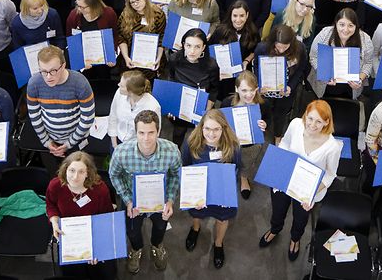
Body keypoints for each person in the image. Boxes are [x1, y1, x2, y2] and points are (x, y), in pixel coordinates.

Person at [260, 100, 342, 261]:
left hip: (307, 190)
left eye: (319, 121)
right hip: (285, 178)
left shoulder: (332, 146)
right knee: (278, 210)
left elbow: (330, 174)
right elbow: (284, 143)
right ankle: (275, 229)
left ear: (327, 122)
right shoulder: (296, 124)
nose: (312, 124)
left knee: (300, 219)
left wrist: (311, 192)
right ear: (305, 115)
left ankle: (295, 239)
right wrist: (279, 164)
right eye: (310, 118)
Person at [109, 110, 181, 273]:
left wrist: (170, 200)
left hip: (161, 200)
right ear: (136, 132)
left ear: (158, 131)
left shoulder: (172, 151)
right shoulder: (121, 152)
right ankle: (136, 249)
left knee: (160, 227)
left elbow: (176, 176)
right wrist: (127, 200)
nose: (146, 138)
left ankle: (156, 245)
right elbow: (114, 175)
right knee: (133, 231)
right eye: (141, 133)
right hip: (133, 201)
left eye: (151, 132)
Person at [180, 109, 241, 268]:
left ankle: (218, 244)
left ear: (223, 128)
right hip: (198, 191)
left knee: (222, 218)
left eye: (216, 129)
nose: (211, 134)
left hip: (222, 192)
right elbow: (185, 167)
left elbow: (237, 169)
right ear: (201, 128)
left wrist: (225, 188)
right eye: (207, 128)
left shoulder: (233, 145)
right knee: (197, 214)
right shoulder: (191, 143)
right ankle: (195, 229)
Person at [47, 151, 117, 279]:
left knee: (101, 271)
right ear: (65, 169)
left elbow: (106, 220)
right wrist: (54, 222)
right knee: (73, 273)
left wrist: (98, 248)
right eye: (72, 170)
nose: (75, 177)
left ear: (88, 173)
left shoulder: (100, 190)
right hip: (70, 237)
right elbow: (51, 206)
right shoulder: (55, 185)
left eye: (81, 172)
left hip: (95, 234)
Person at [26, 45, 95, 173]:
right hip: (49, 140)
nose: (48, 77)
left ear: (63, 66)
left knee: (78, 175)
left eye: (53, 71)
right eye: (43, 71)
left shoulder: (80, 82)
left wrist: (69, 143)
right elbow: (34, 115)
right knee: (55, 175)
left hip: (76, 139)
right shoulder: (34, 83)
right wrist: (46, 141)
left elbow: (88, 117)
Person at [166, 29, 221, 146]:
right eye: (189, 45)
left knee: (202, 137)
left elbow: (214, 89)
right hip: (181, 104)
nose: (192, 51)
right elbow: (171, 80)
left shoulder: (211, 65)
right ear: (183, 45)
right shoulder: (174, 59)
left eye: (197, 47)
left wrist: (207, 109)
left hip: (202, 106)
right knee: (178, 133)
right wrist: (171, 105)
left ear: (203, 47)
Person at [253, 24, 309, 134]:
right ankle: (263, 132)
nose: (281, 50)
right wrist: (260, 84)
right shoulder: (262, 48)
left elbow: (301, 68)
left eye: (285, 47)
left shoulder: (300, 48)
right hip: (267, 87)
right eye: (278, 46)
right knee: (264, 109)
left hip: (286, 87)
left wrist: (291, 86)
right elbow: (256, 66)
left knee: (281, 112)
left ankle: (278, 136)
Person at [309, 8, 373, 100]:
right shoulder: (325, 33)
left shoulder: (365, 39)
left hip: (351, 88)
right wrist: (325, 75)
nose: (345, 30)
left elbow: (368, 63)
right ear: (336, 23)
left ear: (356, 26)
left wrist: (359, 79)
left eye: (350, 25)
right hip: (324, 84)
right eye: (342, 25)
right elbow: (313, 57)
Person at [117, 0, 167, 81]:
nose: (136, 4)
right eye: (132, 2)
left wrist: (158, 58)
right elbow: (121, 37)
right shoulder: (125, 15)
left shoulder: (158, 13)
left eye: (138, 0)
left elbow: (162, 37)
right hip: (131, 60)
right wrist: (126, 57)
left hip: (152, 61)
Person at [108, 70, 161, 148]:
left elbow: (154, 133)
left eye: (122, 85)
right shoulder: (119, 93)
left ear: (131, 91)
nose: (118, 85)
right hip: (118, 140)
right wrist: (115, 145)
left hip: (138, 146)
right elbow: (113, 117)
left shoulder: (153, 106)